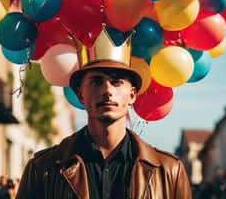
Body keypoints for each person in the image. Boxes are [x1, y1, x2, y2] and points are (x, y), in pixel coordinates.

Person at [16, 29, 192, 198]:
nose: (107, 90)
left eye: (116, 82)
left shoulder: (169, 171)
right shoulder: (43, 168)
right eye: (96, 82)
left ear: (132, 95)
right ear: (80, 95)